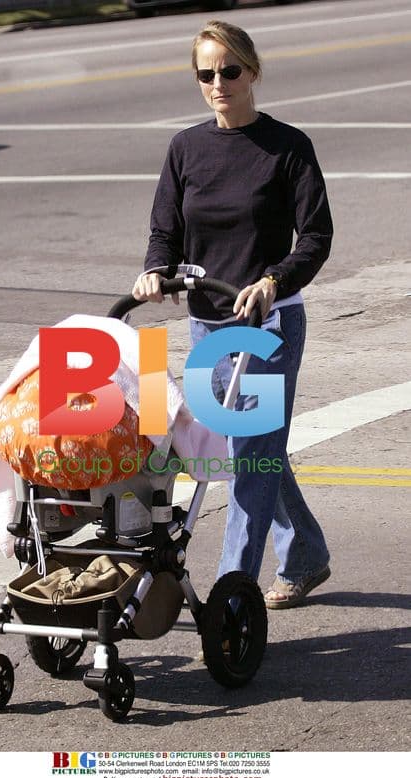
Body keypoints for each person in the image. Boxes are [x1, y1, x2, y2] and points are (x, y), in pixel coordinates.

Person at [132, 20, 333, 609]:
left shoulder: (288, 146)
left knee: (251, 455)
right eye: (205, 73)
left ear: (252, 71)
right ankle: (306, 554)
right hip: (207, 325)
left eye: (229, 70)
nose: (218, 83)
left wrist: (275, 280)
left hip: (268, 327)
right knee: (253, 449)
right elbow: (164, 230)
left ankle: (230, 596)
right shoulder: (186, 148)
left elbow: (316, 235)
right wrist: (154, 269)